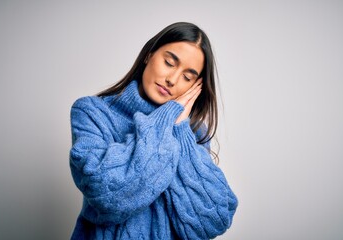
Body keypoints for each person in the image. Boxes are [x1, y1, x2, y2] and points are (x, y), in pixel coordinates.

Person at [69, 22, 238, 240]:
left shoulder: (192, 132)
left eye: (187, 77)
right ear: (149, 55)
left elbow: (212, 222)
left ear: (195, 86)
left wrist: (179, 129)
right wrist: (165, 118)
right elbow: (108, 196)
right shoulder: (92, 112)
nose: (172, 79)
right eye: (169, 62)